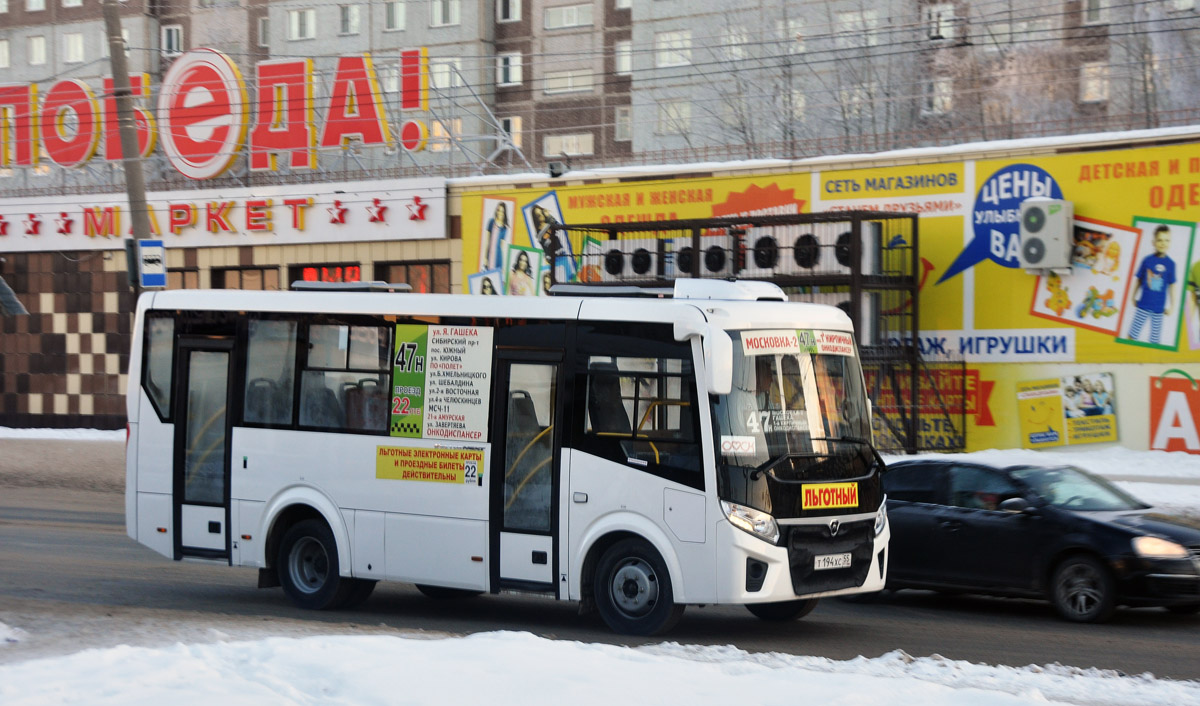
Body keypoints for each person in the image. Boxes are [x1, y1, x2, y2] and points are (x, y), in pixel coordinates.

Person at [1128, 225, 1177, 344]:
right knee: (1132, 335)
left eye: (1167, 240)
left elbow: (1172, 286)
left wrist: (1172, 306)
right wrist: (1132, 296)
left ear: (1170, 242)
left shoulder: (1171, 264)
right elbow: (1138, 280)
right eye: (1160, 240)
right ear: (1153, 242)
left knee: (1154, 341)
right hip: (1143, 305)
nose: (1163, 243)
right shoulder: (1147, 260)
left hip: (1159, 309)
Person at [480, 203, 510, 271]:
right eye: (498, 210)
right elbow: (486, 241)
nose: (500, 213)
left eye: (502, 211)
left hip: (498, 258)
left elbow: (502, 247)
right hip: (489, 256)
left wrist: (504, 265)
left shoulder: (505, 228)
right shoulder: (491, 222)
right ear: (496, 211)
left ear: (504, 213)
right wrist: (485, 258)